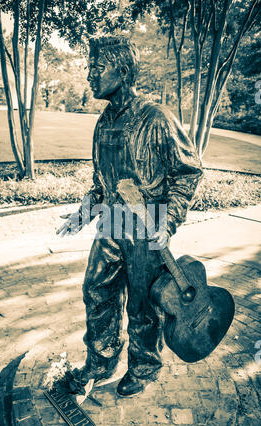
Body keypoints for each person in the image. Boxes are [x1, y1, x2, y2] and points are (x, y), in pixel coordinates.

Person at [57, 36, 203, 397]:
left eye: (97, 67)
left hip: (147, 226)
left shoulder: (156, 118)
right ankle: (101, 360)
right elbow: (102, 184)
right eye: (90, 67)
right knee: (96, 290)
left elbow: (188, 172)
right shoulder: (103, 123)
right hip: (112, 223)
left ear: (122, 71)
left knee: (142, 304)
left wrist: (168, 221)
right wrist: (82, 215)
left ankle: (145, 366)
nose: (90, 75)